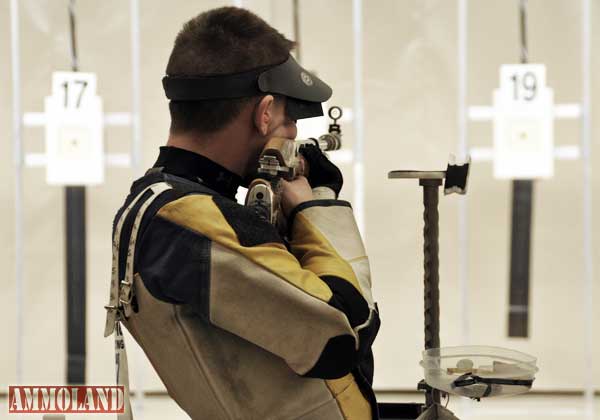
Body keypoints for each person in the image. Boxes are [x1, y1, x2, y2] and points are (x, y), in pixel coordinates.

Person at [104, 7, 380, 420]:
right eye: (289, 121)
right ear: (264, 112)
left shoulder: (161, 202)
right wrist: (315, 206)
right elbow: (344, 333)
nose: (291, 136)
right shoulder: (190, 219)